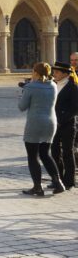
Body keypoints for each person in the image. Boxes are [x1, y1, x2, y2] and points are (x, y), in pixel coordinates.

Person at [18, 62, 64, 196]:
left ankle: (37, 187)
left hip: (35, 123)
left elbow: (22, 106)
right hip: (50, 123)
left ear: (36, 73)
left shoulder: (31, 87)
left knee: (33, 156)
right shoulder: (53, 85)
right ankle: (58, 182)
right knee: (45, 154)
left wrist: (24, 91)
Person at [50, 61, 78, 190]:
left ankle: (69, 180)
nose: (54, 74)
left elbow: (75, 108)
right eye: (53, 71)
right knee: (55, 152)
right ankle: (57, 179)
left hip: (67, 125)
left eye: (56, 72)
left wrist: (61, 120)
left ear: (65, 74)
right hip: (54, 124)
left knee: (67, 152)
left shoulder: (73, 87)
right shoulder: (53, 85)